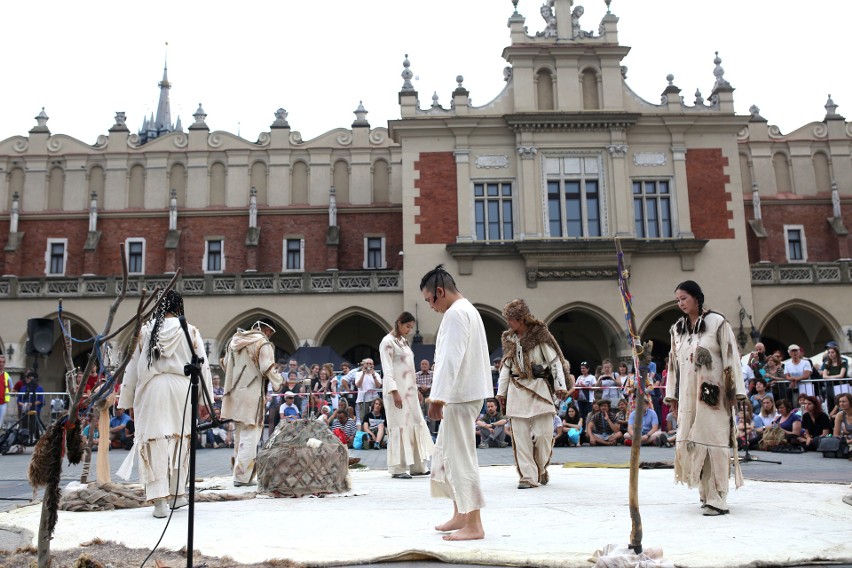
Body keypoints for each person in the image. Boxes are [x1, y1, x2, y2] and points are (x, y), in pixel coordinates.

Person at [117, 290, 213, 518]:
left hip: (154, 388)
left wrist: (128, 400)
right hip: (182, 388)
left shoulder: (146, 331)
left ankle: (159, 501)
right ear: (179, 306)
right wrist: (204, 400)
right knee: (181, 440)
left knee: (155, 441)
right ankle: (178, 495)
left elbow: (132, 368)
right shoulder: (190, 331)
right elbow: (204, 366)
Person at [421, 265, 492, 541]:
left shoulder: (456, 314)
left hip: (460, 394)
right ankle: (461, 513)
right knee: (448, 455)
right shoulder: (468, 310)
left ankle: (474, 523)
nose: (430, 306)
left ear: (440, 292)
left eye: (429, 300)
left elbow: (451, 358)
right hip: (464, 393)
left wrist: (437, 396)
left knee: (461, 458)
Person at [665, 280, 746, 516]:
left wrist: (735, 392)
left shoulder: (717, 323)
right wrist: (672, 395)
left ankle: (718, 497)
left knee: (713, 442)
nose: (680, 303)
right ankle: (704, 493)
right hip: (688, 397)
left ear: (696, 298)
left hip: (713, 394)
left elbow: (731, 357)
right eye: (678, 300)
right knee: (693, 441)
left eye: (684, 298)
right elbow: (672, 364)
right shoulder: (677, 329)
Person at [496, 298, 569, 489]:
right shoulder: (509, 339)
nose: (508, 323)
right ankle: (528, 476)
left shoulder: (540, 335)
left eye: (511, 319)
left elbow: (554, 362)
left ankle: (540, 467)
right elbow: (506, 366)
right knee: (520, 437)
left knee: (544, 434)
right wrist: (501, 392)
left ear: (521, 319)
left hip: (539, 388)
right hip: (517, 389)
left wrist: (560, 386)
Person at [220, 318, 282, 487]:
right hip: (252, 393)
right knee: (251, 433)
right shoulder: (262, 343)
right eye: (269, 331)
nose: (269, 335)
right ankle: (242, 477)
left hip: (235, 393)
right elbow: (267, 367)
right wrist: (279, 381)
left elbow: (226, 365)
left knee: (241, 433)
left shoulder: (234, 341)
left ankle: (238, 473)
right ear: (262, 328)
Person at [379, 311, 434, 478]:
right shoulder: (387, 342)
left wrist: (416, 388)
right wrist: (394, 391)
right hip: (395, 390)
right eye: (408, 326)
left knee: (416, 422)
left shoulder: (403, 341)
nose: (409, 330)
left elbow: (410, 369)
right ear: (399, 323)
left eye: (411, 327)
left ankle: (418, 466)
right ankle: (398, 468)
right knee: (399, 425)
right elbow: (387, 369)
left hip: (409, 390)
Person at [354, 358, 382, 422]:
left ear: (373, 365)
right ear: (364, 365)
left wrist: (373, 375)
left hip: (374, 400)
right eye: (367, 363)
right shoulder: (358, 374)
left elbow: (379, 386)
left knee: (375, 417)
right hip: (363, 400)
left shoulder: (376, 374)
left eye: (370, 364)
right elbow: (358, 385)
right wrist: (363, 374)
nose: (369, 365)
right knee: (364, 419)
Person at [0, 355, 11, 428]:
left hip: (3, 403)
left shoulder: (7, 375)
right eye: (0, 362)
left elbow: (11, 388)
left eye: (3, 362)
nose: (1, 364)